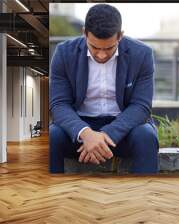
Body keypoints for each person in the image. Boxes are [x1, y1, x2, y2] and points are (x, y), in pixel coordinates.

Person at [49, 4, 159, 174]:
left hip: (123, 129)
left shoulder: (142, 54)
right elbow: (59, 104)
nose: (101, 55)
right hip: (79, 128)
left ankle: (144, 197)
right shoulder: (64, 53)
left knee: (146, 136)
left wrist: (103, 136)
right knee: (52, 136)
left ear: (120, 36)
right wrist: (86, 134)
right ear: (84, 32)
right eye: (94, 47)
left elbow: (141, 106)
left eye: (109, 48)